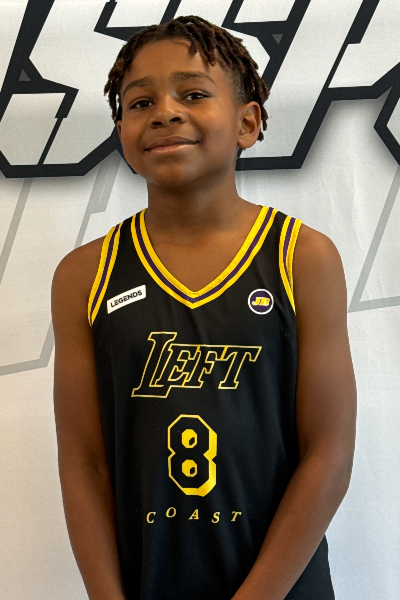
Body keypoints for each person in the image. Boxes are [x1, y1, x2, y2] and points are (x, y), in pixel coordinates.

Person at [51, 15, 357, 600]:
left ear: (248, 122)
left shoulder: (302, 257)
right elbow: (84, 463)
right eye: (140, 102)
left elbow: (329, 455)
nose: (164, 112)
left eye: (193, 94)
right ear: (122, 131)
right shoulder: (84, 275)